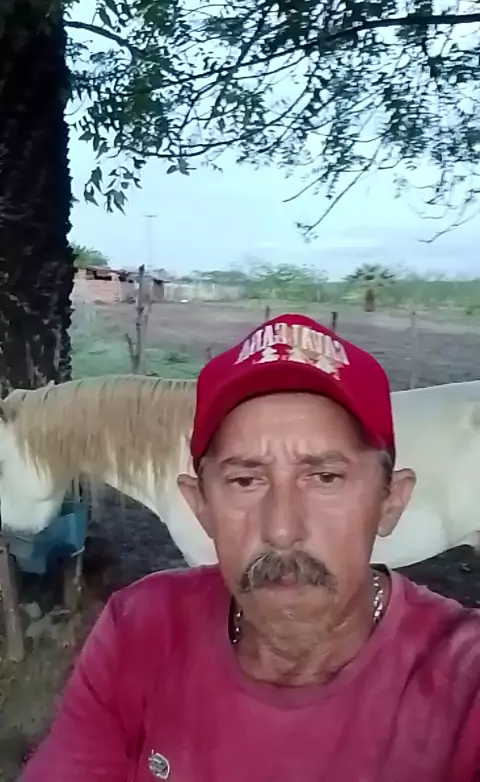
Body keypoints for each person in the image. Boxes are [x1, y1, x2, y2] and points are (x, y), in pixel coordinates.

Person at [21, 313, 480, 782]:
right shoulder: (136, 632)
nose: (281, 530)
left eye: (325, 477)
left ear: (391, 501)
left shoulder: (465, 682)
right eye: (245, 480)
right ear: (200, 507)